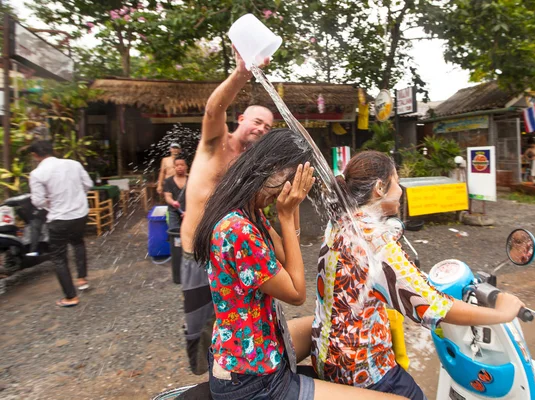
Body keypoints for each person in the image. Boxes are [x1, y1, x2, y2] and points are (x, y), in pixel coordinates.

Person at [194, 130, 407, 400]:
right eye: (288, 183)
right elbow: (296, 293)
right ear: (269, 168)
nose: (286, 192)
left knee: (330, 329)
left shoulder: (249, 212)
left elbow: (284, 254)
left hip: (252, 347)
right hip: (254, 380)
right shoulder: (236, 230)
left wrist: (291, 208)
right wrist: (284, 216)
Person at [311, 151, 525, 398]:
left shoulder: (339, 223)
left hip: (327, 355)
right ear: (380, 188)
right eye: (396, 181)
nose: (401, 189)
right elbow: (432, 307)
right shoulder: (376, 242)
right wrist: (500, 314)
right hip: (362, 370)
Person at [179, 47, 300, 376]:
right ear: (240, 120)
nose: (262, 129)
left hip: (235, 256)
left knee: (238, 328)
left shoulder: (253, 167)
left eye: (268, 126)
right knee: (200, 331)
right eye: (257, 122)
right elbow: (211, 110)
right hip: (198, 254)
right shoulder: (216, 144)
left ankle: (232, 380)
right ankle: (208, 382)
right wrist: (241, 73)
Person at [28, 141, 93, 307]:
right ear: (52, 150)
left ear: (35, 155)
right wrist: (76, 197)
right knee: (78, 243)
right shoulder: (74, 164)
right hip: (80, 214)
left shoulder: (37, 173)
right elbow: (88, 184)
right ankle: (82, 279)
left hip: (59, 219)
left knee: (59, 258)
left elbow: (37, 201)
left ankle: (71, 297)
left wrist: (50, 202)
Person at [163, 155, 188, 229]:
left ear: (186, 166)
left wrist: (189, 212)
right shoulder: (168, 181)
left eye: (182, 165)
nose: (179, 167)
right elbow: (167, 197)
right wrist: (173, 202)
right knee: (174, 235)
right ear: (174, 167)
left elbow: (195, 198)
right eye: (177, 165)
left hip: (188, 212)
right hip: (173, 212)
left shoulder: (191, 180)